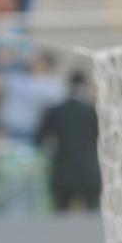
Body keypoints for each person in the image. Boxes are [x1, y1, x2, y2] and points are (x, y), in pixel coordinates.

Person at [36, 70, 101, 211]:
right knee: (92, 221)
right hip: (89, 173)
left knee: (61, 221)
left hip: (62, 172)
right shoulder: (93, 112)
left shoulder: (56, 111)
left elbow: (39, 139)